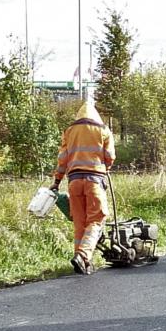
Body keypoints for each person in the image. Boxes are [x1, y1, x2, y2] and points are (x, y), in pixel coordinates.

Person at [51, 100, 116, 275]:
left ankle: (81, 262)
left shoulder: (69, 131)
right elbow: (110, 156)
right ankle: (83, 255)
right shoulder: (103, 130)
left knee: (79, 222)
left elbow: (62, 160)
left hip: (74, 182)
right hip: (94, 180)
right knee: (97, 218)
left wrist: (57, 181)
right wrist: (105, 168)